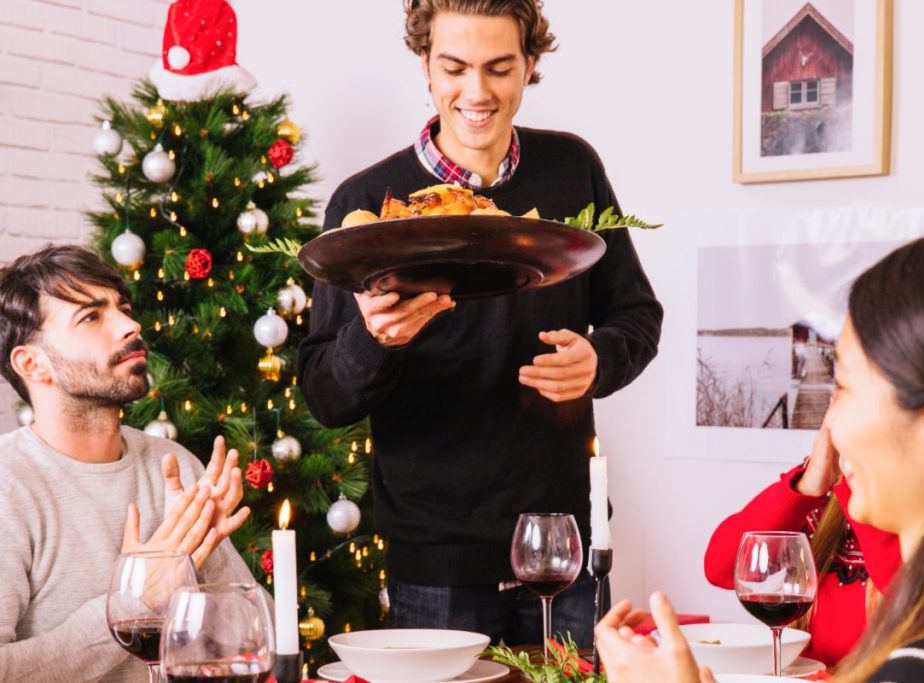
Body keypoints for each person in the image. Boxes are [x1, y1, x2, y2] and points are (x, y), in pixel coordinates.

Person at [297, 0, 662, 646]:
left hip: (564, 547)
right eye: (455, 67)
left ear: (529, 64)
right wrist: (374, 339)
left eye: (499, 68)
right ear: (426, 68)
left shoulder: (573, 170)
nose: (477, 92)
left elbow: (637, 314)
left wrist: (599, 358)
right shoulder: (364, 204)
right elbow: (326, 394)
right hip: (435, 561)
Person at [597, 229, 924, 682]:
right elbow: (725, 562)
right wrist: (810, 481)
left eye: (845, 387)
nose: (830, 423)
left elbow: (899, 590)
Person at [0, 244, 257, 682]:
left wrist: (201, 553)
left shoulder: (172, 464)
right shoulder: (9, 485)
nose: (130, 325)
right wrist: (134, 603)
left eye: (122, 308)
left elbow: (249, 639)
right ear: (33, 364)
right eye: (91, 317)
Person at [703, 420, 902, 667]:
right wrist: (805, 486)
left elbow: (916, 596)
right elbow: (720, 568)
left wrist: (857, 479)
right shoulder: (822, 498)